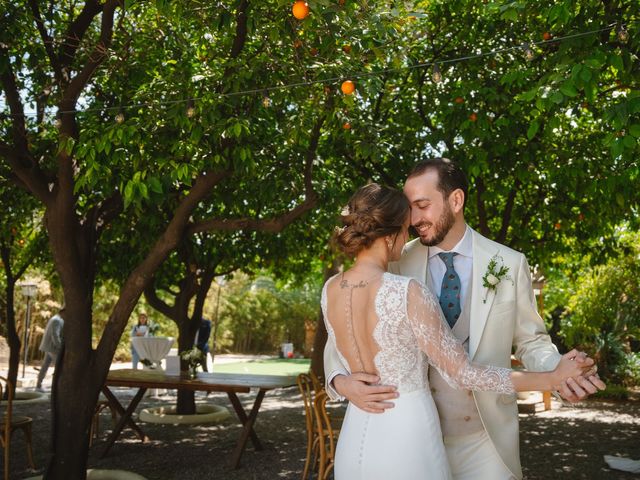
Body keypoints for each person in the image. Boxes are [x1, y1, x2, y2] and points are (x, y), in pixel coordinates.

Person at [324, 159, 606, 479]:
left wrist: (559, 372)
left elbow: (531, 341)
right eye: (409, 208)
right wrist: (341, 382)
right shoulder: (394, 260)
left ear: (456, 201)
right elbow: (343, 335)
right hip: (413, 437)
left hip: (485, 442)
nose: (413, 219)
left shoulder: (510, 264)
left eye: (422, 205)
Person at [36, 307, 64, 392]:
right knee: (59, 367)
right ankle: (56, 387)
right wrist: (60, 347)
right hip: (53, 348)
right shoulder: (57, 320)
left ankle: (38, 385)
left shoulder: (56, 319)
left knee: (45, 366)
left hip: (49, 347)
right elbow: (55, 336)